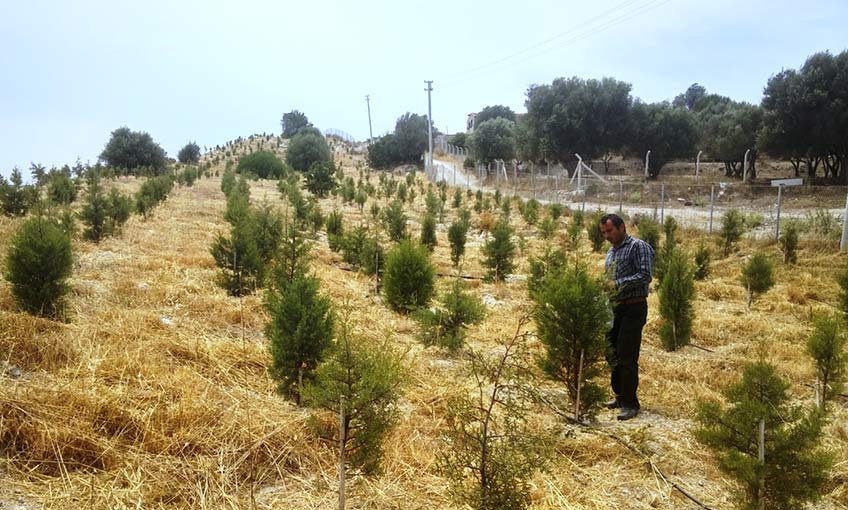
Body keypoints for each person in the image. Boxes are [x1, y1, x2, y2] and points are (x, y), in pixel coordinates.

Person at [599, 214, 654, 421]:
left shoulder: (638, 247)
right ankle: (620, 396)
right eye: (603, 232)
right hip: (615, 307)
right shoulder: (611, 251)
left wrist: (617, 284)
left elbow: (645, 275)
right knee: (612, 353)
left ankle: (631, 403)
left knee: (626, 354)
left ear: (622, 227)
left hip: (633, 307)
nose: (607, 236)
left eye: (610, 231)